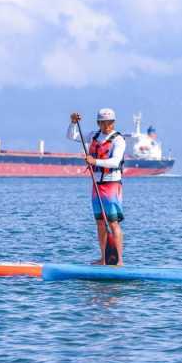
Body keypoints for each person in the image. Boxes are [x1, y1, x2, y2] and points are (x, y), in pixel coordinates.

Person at [68, 108, 126, 265]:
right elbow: (71, 136)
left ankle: (119, 260)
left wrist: (95, 161)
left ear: (114, 122)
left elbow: (114, 161)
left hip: (112, 183)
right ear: (99, 123)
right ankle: (104, 258)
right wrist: (73, 123)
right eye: (104, 122)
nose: (107, 125)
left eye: (110, 122)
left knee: (113, 222)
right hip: (96, 183)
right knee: (100, 223)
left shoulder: (118, 140)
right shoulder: (94, 135)